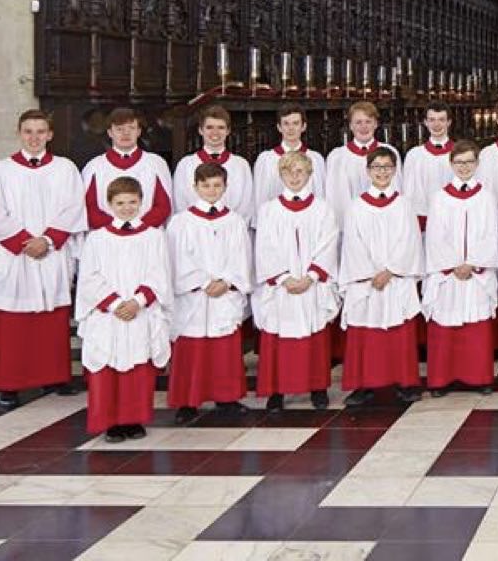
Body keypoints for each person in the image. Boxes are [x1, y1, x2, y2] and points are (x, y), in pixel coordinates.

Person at [0, 109, 85, 408]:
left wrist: (47, 240)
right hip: (14, 256)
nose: (35, 137)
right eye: (28, 131)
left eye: (40, 131)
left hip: (50, 253)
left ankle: (54, 376)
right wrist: (26, 243)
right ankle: (9, 384)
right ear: (19, 133)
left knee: (51, 319)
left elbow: (74, 208)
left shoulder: (65, 169)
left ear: (50, 134)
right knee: (12, 321)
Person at [76, 176, 172, 442]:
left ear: (142, 202)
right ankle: (110, 422)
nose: (127, 207)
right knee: (108, 364)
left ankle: (133, 419)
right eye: (120, 203)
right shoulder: (97, 239)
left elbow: (160, 272)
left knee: (138, 364)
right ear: (109, 204)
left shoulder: (154, 236)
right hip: (110, 314)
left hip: (140, 310)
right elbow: (89, 277)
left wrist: (139, 301)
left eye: (132, 202)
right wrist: (116, 303)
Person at [167, 162, 253, 424]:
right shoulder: (181, 222)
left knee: (223, 348)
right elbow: (175, 259)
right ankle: (187, 401)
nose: (211, 190)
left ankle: (227, 397)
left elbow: (242, 257)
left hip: (224, 294)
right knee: (191, 348)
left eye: (217, 185)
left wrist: (227, 281)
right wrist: (204, 282)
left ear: (226, 187)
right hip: (193, 296)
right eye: (205, 185)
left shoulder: (235, 221)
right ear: (195, 187)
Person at [252, 151, 339, 411]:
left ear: (310, 174)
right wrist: (283, 277)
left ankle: (317, 387)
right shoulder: (269, 210)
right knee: (279, 336)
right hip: (283, 287)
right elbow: (265, 246)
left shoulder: (322, 208)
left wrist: (312, 275)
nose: (294, 176)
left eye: (300, 171)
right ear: (280, 175)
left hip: (311, 284)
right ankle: (276, 391)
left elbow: (328, 242)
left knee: (315, 335)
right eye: (289, 171)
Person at [338, 148, 424, 406]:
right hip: (366, 280)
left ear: (395, 170)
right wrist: (370, 273)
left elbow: (410, 240)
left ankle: (405, 381)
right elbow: (352, 243)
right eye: (377, 167)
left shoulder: (404, 204)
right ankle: (363, 385)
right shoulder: (356, 206)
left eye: (387, 167)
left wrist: (391, 270)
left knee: (399, 329)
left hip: (396, 278)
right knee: (365, 331)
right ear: (368, 171)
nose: (382, 172)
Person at [422, 142, 498, 396]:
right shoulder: (440, 197)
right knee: (446, 324)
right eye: (459, 163)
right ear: (451, 164)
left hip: (475, 272)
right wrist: (454, 264)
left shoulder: (486, 197)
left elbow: (490, 233)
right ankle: (441, 379)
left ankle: (479, 377)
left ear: (477, 164)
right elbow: (434, 235)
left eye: (469, 162)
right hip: (449, 272)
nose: (464, 167)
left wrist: (473, 263)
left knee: (475, 326)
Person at [81, 107, 172, 231]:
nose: (126, 133)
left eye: (131, 128)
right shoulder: (94, 166)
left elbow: (163, 205)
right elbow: (89, 207)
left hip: (146, 236)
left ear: (139, 131)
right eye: (119, 129)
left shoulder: (156, 163)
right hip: (107, 238)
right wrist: (116, 228)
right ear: (110, 132)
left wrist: (138, 227)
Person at [171, 105, 255, 225]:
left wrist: (232, 227)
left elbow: (246, 204)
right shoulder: (186, 165)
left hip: (231, 231)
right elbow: (179, 202)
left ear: (228, 131)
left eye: (221, 127)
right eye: (209, 127)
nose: (215, 133)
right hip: (194, 230)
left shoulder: (241, 165)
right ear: (200, 130)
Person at [326, 101, 399, 218]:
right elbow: (334, 199)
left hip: (384, 220)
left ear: (375, 124)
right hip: (350, 222)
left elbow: (397, 189)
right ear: (350, 126)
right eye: (358, 122)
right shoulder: (337, 157)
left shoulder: (389, 152)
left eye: (368, 122)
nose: (363, 127)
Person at [253, 104, 328, 212]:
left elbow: (321, 194)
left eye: (296, 123)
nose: (291, 128)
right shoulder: (266, 160)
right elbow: (260, 197)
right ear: (279, 127)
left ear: (303, 126)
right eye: (286, 124)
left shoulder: (315, 159)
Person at [402, 99, 456, 232]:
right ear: (425, 122)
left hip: (453, 219)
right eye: (432, 120)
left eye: (441, 119)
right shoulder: (414, 155)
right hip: (422, 221)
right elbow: (408, 192)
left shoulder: (459, 153)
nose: (436, 124)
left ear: (449, 122)